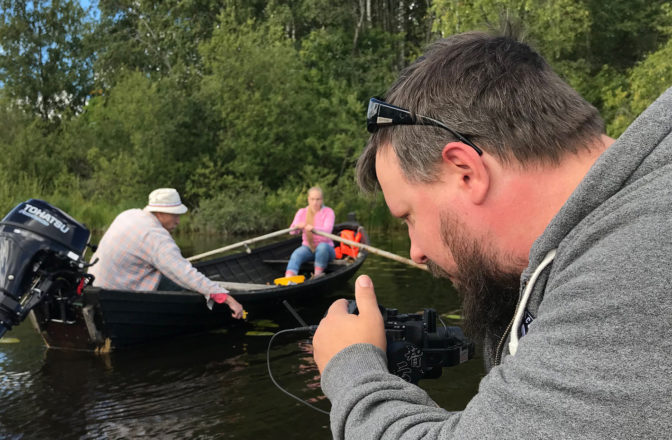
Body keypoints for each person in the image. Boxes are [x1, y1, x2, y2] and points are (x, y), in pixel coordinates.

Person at [312, 29, 672, 439]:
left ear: (465, 172)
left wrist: (352, 371)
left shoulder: (631, 264)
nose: (415, 252)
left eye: (408, 216)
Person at [88, 188, 243, 319]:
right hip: (117, 298)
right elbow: (186, 274)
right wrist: (227, 298)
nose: (178, 221)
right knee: (183, 284)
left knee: (172, 275)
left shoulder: (129, 214)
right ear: (160, 212)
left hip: (95, 287)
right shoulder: (157, 238)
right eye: (175, 215)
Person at [284, 186, 336, 278]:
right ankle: (289, 279)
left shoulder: (328, 212)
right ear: (308, 199)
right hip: (308, 247)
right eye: (312, 199)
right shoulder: (302, 212)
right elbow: (291, 232)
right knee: (296, 254)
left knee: (322, 247)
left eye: (318, 199)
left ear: (322, 200)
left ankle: (317, 276)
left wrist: (314, 229)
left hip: (327, 250)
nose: (315, 202)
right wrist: (297, 227)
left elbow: (328, 231)